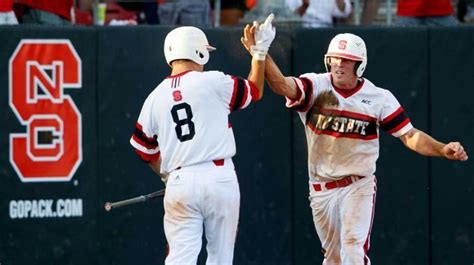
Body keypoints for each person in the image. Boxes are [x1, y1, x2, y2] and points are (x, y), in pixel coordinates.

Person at [241, 32, 468, 264]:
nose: (339, 64)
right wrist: (261, 53)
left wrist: (442, 149)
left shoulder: (378, 97)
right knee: (333, 257)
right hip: (321, 187)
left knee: (352, 248)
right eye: (335, 58)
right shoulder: (316, 84)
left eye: (346, 59)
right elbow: (281, 85)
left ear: (360, 64)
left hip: (357, 184)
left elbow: (409, 135)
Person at [129, 15, 275, 264]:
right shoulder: (213, 80)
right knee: (220, 258)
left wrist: (166, 175)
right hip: (219, 177)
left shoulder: (153, 98)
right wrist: (259, 53)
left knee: (180, 259)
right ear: (198, 52)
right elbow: (255, 90)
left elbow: (143, 147)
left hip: (180, 180)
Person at [286, 0, 351, 28]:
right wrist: (305, 4)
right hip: (303, 29)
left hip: (326, 29)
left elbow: (345, 12)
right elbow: (290, 14)